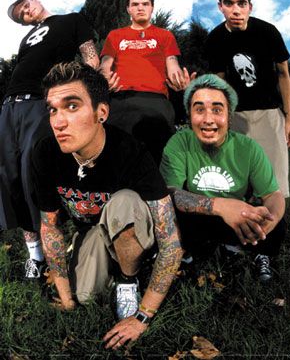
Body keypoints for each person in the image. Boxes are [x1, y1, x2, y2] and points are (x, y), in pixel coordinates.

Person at [31, 61, 183, 350]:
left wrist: (143, 316)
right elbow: (49, 226)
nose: (58, 122)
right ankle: (107, 265)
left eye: (72, 106)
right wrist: (67, 300)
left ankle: (128, 278)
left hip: (129, 223)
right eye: (53, 109)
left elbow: (172, 244)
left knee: (123, 202)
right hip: (91, 231)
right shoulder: (45, 152)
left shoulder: (130, 151)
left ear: (102, 112)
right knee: (87, 295)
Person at [0, 0, 99, 279]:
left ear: (34, 1)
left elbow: (89, 56)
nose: (25, 13)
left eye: (25, 7)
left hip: (42, 103)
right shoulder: (27, 39)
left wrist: (84, 93)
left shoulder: (71, 20)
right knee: (9, 177)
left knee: (33, 171)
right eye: (21, 16)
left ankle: (60, 241)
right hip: (9, 105)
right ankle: (36, 255)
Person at [160, 74, 286, 282]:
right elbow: (170, 194)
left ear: (229, 115)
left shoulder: (248, 147)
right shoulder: (179, 142)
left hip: (239, 218)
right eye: (199, 109)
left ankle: (251, 251)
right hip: (197, 216)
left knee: (277, 224)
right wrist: (220, 206)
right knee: (168, 215)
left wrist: (265, 224)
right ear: (190, 115)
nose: (208, 119)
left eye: (217, 110)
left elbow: (272, 193)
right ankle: (187, 254)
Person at [204, 0, 290, 198]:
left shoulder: (268, 32)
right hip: (236, 115)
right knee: (237, 185)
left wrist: (288, 119)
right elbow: (220, 85)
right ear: (220, 7)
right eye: (229, 3)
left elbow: (284, 74)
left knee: (274, 187)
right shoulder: (215, 39)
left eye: (241, 3)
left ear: (249, 7)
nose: (236, 10)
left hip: (269, 113)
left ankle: (274, 230)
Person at [100, 0, 192, 163]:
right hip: (120, 100)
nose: (140, 8)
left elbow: (172, 63)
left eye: (145, 4)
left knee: (158, 158)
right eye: (135, 4)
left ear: (152, 8)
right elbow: (105, 65)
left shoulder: (165, 35)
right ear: (128, 9)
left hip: (156, 102)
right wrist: (104, 80)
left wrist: (180, 81)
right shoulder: (115, 35)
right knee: (116, 156)